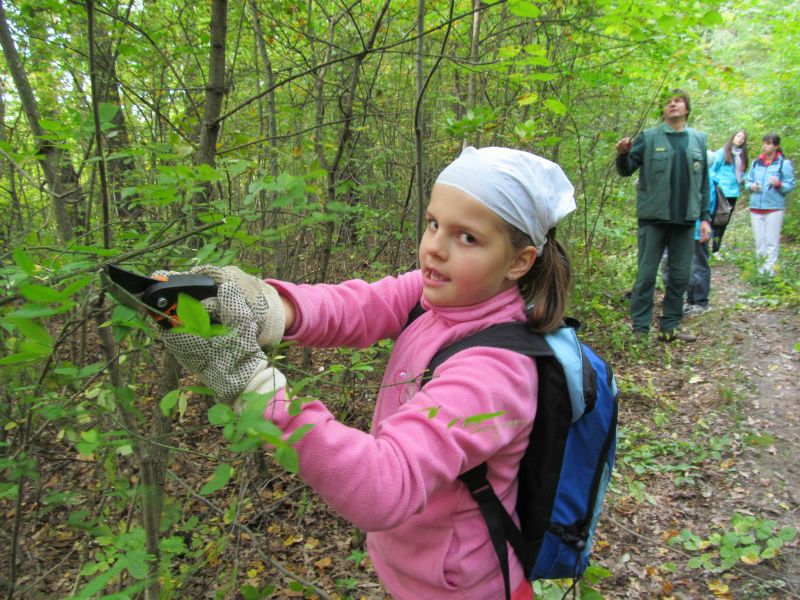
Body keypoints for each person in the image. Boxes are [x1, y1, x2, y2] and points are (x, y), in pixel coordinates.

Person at [156, 146, 577, 600]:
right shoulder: (437, 294)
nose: (435, 246)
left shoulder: (496, 373)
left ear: (519, 261)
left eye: (467, 238)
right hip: (414, 568)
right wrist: (265, 307)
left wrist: (255, 390)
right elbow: (355, 306)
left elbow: (385, 486)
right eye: (434, 223)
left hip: (461, 588)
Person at [615, 88, 711, 342]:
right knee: (646, 276)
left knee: (680, 277)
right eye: (668, 102)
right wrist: (623, 154)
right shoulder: (649, 137)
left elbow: (704, 184)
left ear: (687, 108)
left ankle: (670, 326)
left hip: (685, 221)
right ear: (663, 111)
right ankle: (640, 328)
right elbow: (626, 170)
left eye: (678, 101)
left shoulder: (698, 140)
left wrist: (705, 219)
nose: (673, 105)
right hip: (653, 219)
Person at [745, 133, 795, 276]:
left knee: (771, 241)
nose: (765, 146)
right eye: (764, 143)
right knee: (759, 241)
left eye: (768, 143)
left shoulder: (783, 163)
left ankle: (770, 272)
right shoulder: (756, 163)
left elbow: (790, 185)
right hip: (756, 207)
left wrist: (778, 184)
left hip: (774, 207)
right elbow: (747, 182)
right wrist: (751, 186)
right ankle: (761, 272)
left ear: (776, 146)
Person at [709, 129, 749, 253]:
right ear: (733, 137)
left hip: (733, 192)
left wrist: (745, 180)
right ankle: (704, 246)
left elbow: (743, 174)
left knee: (723, 221)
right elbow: (711, 169)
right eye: (738, 136)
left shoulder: (742, 156)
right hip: (721, 192)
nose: (740, 139)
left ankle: (716, 250)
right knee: (713, 219)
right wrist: (717, 183)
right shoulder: (722, 153)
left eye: (743, 138)